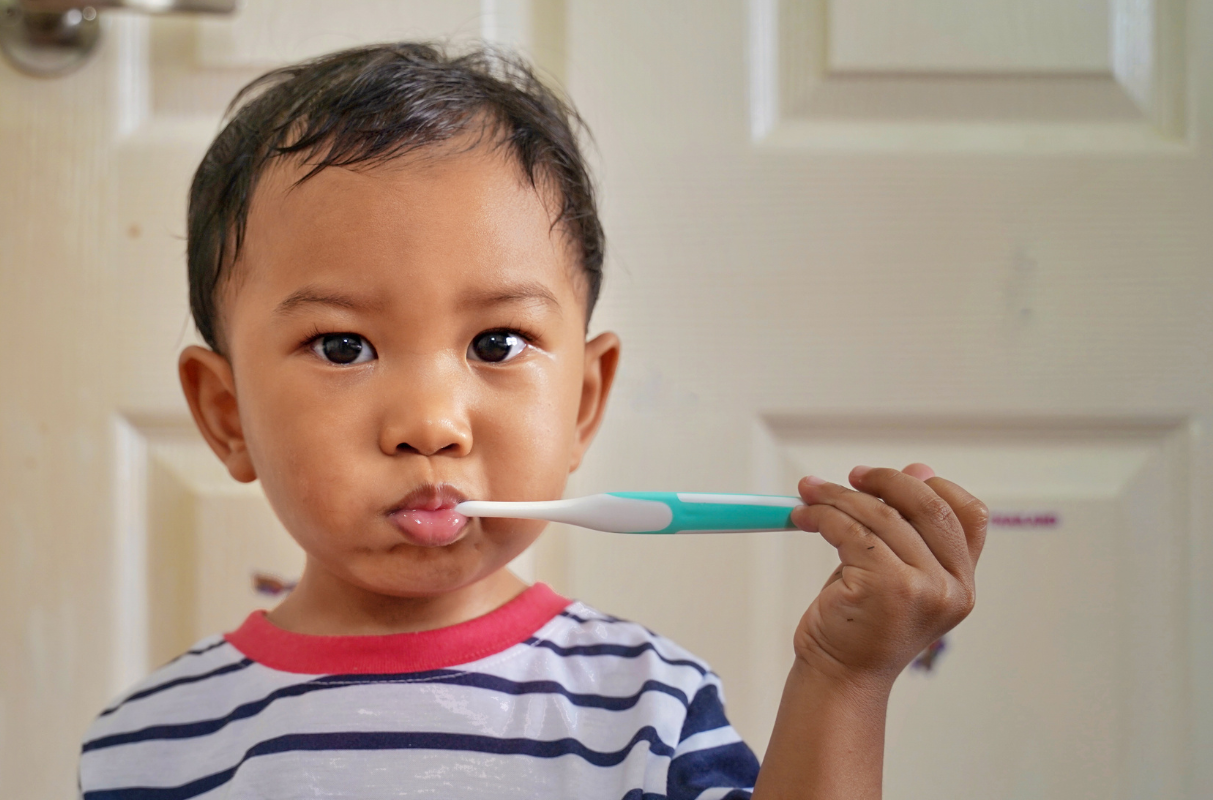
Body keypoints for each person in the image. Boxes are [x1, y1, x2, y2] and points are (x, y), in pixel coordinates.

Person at [78, 42, 987, 800]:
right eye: (344, 347)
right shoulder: (151, 743)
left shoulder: (647, 710)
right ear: (227, 415)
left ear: (584, 400)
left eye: (499, 343)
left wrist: (845, 680)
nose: (431, 424)